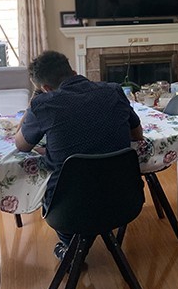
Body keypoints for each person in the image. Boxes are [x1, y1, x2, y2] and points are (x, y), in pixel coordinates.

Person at [14, 50, 143, 260]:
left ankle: (70, 247)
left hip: (69, 210)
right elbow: (137, 135)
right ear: (73, 72)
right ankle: (81, 245)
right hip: (126, 200)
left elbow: (21, 145)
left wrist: (34, 103)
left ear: (46, 89)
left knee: (63, 187)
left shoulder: (43, 104)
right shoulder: (113, 91)